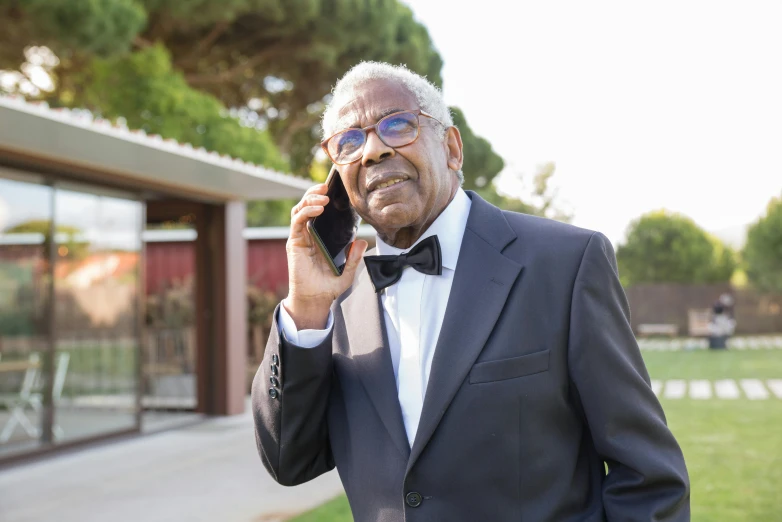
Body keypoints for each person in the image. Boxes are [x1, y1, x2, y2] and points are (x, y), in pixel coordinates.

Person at [252, 62, 690, 521]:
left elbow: (649, 478)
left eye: (397, 125)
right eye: (349, 141)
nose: (373, 151)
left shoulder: (566, 264)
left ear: (452, 148)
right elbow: (290, 461)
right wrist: (306, 308)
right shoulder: (330, 297)